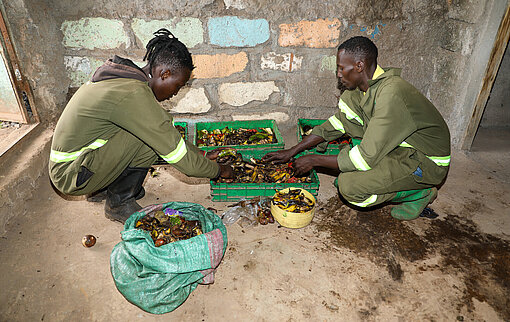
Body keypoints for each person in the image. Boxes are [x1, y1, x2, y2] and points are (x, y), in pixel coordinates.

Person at [49, 29, 233, 223]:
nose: (175, 93)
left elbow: (168, 137)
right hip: (70, 175)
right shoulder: (134, 95)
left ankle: (104, 188)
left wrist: (201, 154)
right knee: (146, 137)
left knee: (151, 132)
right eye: (177, 86)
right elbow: (180, 158)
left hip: (79, 164)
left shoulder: (126, 81)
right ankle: (119, 202)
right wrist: (220, 170)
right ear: (164, 73)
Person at [264, 36, 451, 220]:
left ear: (359, 66)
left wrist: (314, 159)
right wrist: (293, 150)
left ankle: (419, 193)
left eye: (341, 68)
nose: (338, 74)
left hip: (426, 161)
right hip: (399, 150)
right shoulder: (358, 92)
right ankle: (385, 180)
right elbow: (334, 126)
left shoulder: (391, 95)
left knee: (349, 187)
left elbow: (364, 158)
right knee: (348, 163)